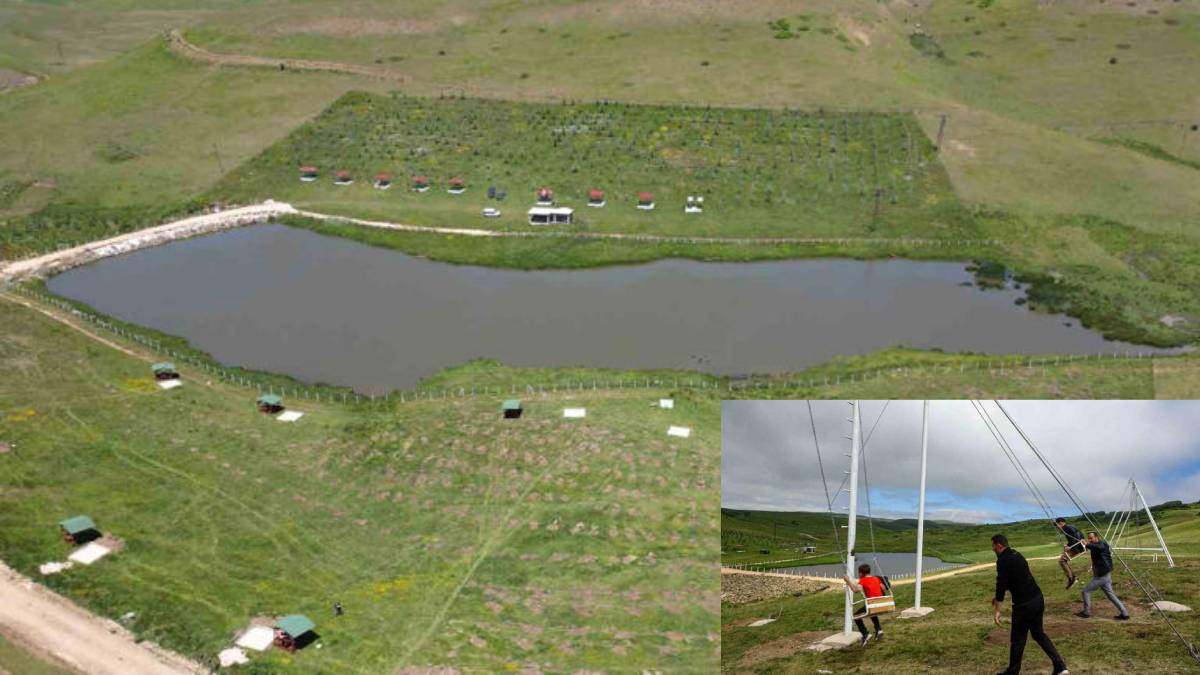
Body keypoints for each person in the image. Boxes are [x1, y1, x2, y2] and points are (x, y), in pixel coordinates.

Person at [991, 534, 1069, 675]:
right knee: (1038, 634)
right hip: (1037, 599)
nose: (992, 549)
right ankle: (1061, 667)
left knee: (1017, 640)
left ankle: (1013, 672)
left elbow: (1001, 583)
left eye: (993, 546)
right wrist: (997, 596)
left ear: (998, 545)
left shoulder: (1003, 560)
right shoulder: (1017, 554)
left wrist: (997, 610)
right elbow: (1018, 578)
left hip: (1024, 605)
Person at [1075, 531, 1130, 621]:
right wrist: (1069, 548)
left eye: (1091, 538)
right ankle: (1125, 613)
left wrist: (1087, 544)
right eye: (1088, 538)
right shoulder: (1094, 545)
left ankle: (1086, 612)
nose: (1089, 540)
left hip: (1101, 576)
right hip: (1105, 575)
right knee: (1111, 595)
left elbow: (1098, 547)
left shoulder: (1102, 544)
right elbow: (1083, 548)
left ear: (1096, 537)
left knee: (1085, 591)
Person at [842, 563, 885, 647]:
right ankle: (878, 629)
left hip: (872, 604)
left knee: (856, 616)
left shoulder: (863, 580)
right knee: (872, 611)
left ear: (861, 573)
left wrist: (848, 581)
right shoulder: (876, 578)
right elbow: (883, 587)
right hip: (881, 603)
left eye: (859, 573)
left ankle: (865, 634)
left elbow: (855, 590)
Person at [1055, 517, 1086, 589]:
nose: (1057, 527)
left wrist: (1070, 547)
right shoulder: (1071, 527)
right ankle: (1072, 577)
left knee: (1062, 561)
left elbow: (1075, 537)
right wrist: (1068, 545)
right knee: (1063, 560)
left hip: (1076, 548)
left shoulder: (1066, 528)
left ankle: (1072, 578)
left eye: (1057, 525)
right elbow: (1079, 535)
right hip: (1079, 546)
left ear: (1061, 523)